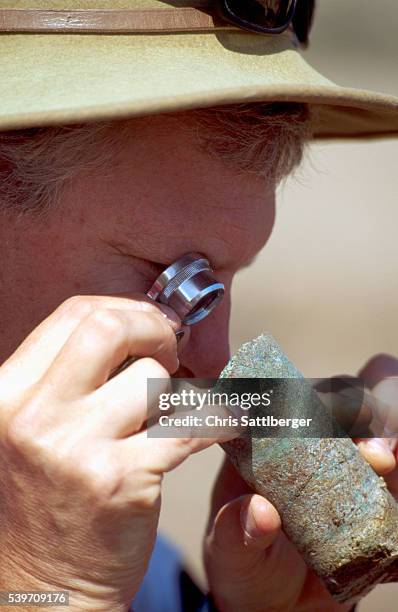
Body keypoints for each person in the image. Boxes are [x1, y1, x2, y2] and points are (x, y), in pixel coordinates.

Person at [0, 1, 397, 611]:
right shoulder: (67, 559)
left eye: (220, 283)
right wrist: (45, 592)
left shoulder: (134, 570)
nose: (213, 357)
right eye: (173, 280)